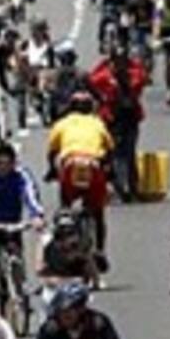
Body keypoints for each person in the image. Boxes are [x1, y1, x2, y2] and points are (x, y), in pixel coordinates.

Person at [46, 92, 114, 255]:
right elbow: (110, 149)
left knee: (66, 207)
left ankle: (62, 246)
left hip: (70, 165)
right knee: (98, 213)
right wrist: (109, 172)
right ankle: (100, 250)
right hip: (93, 165)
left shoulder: (62, 124)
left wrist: (52, 171)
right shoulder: (97, 123)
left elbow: (52, 152)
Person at [0, 142, 45, 276]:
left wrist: (36, 215)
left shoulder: (22, 175)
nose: (3, 167)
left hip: (12, 221)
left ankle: (19, 284)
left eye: (7, 164)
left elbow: (30, 195)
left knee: (15, 252)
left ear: (14, 163)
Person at [87, 46, 147, 203]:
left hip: (130, 117)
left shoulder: (133, 74)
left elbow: (140, 79)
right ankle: (119, 185)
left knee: (129, 151)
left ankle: (132, 187)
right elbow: (92, 80)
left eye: (123, 62)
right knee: (114, 152)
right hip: (112, 118)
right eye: (116, 62)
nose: (120, 66)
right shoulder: (105, 74)